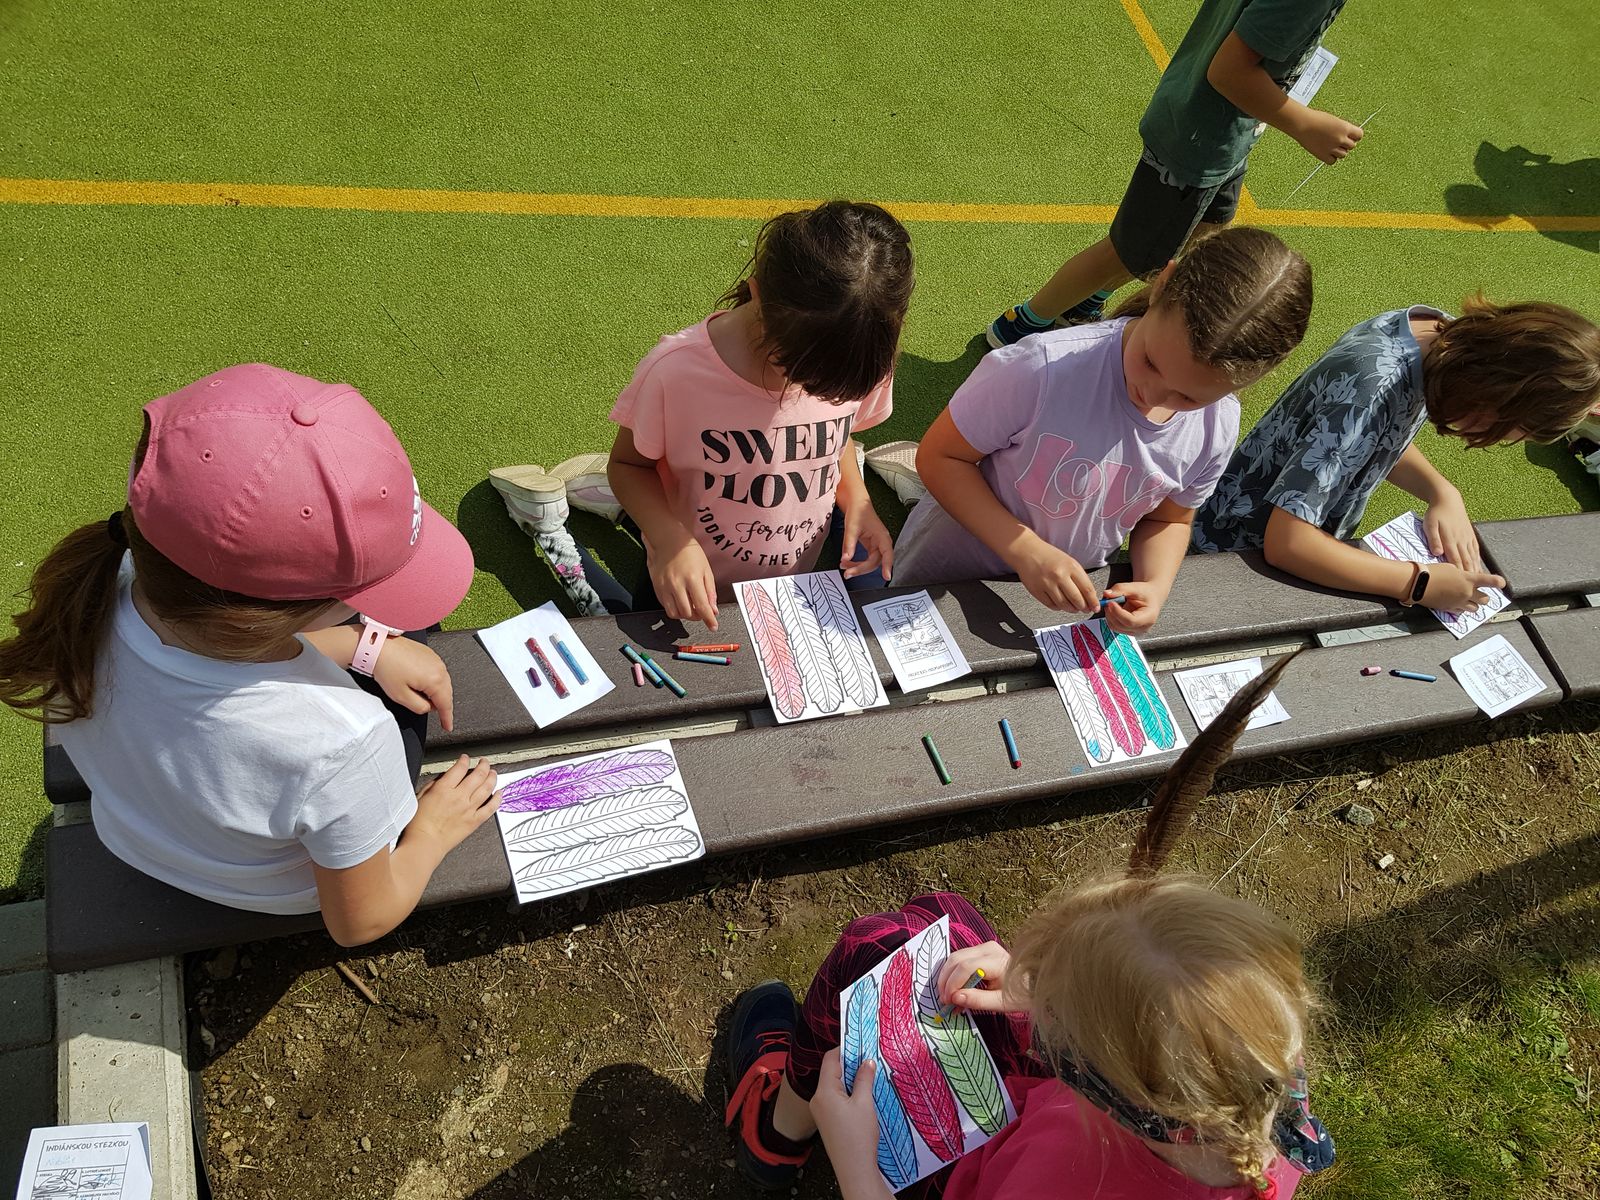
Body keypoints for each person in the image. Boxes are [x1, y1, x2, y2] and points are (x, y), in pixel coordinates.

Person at [722, 659, 1335, 1198]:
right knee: (938, 926)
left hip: (971, 1171)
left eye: (1058, 1012)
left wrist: (859, 1173)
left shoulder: (1068, 1186)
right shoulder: (1258, 1070)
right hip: (1046, 1120)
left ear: (1092, 1074)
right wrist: (1030, 987)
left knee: (870, 950)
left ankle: (776, 1138)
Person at [0, 364, 502, 947]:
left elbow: (207, 656)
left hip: (138, 834)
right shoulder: (347, 741)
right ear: (274, 617)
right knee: (417, 629)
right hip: (274, 890)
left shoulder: (95, 588)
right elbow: (359, 923)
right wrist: (431, 832)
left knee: (396, 636)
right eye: (361, 596)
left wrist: (359, 647)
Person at [490, 201, 914, 629]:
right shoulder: (677, 371)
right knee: (629, 640)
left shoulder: (860, 356)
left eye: (831, 389)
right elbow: (628, 466)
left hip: (782, 587)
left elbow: (838, 438)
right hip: (685, 581)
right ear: (758, 295)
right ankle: (550, 528)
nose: (807, 389)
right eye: (794, 367)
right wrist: (670, 540)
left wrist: (857, 500)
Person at [894, 226, 1310, 632]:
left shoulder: (1217, 425)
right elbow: (941, 457)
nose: (1152, 394)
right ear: (1163, 285)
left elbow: (1169, 521)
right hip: (946, 574)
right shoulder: (1042, 368)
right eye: (1150, 362)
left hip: (1051, 601)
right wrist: (1025, 550)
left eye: (1188, 397)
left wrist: (1155, 585)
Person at [986, 0, 1357, 349]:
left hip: (1220, 132)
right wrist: (1307, 125)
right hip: (1197, 141)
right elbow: (1229, 71)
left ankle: (1083, 304)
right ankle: (1023, 324)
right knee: (1126, 254)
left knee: (1204, 234)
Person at [1191, 299, 1600, 610]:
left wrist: (1442, 492)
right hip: (1228, 556)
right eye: (1515, 426)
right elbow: (1287, 545)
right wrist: (1418, 583)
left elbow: (1371, 438)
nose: (1502, 440)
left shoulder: (1437, 338)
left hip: (1270, 540)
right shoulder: (1373, 387)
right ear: (1496, 392)